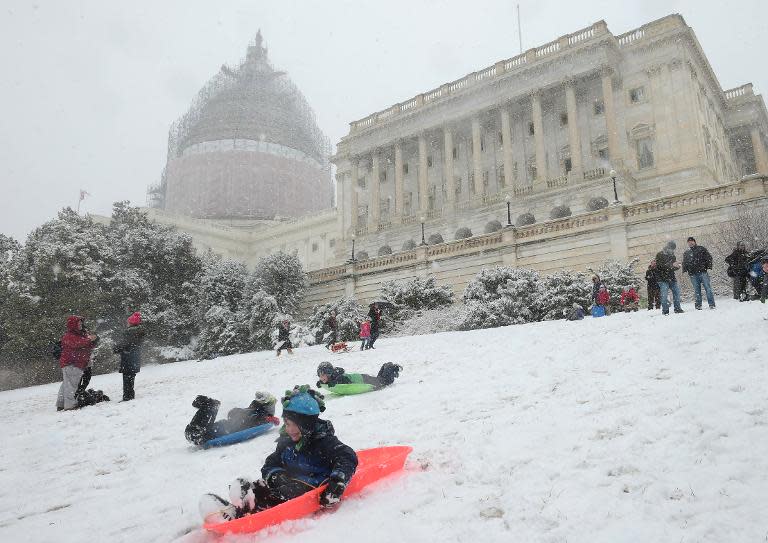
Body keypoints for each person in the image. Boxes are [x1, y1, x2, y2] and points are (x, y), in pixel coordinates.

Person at [199, 389, 358, 523]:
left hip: (309, 488)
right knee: (247, 485)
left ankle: (244, 515)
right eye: (285, 424)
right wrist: (276, 475)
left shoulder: (324, 441)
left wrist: (337, 483)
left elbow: (347, 456)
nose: (287, 429)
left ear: (304, 425)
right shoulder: (286, 442)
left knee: (278, 495)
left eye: (290, 424)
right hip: (285, 482)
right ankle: (239, 504)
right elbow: (270, 463)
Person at [185, 392, 279, 446]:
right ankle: (204, 404)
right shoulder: (253, 411)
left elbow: (254, 420)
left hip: (205, 434)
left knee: (213, 405)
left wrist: (268, 419)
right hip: (209, 431)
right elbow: (233, 413)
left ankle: (203, 403)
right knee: (213, 405)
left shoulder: (260, 417)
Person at [56, 316, 99, 411]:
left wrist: (93, 340)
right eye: (78, 323)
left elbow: (87, 345)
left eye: (80, 323)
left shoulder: (78, 334)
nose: (80, 325)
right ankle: (69, 405)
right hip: (72, 363)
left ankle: (61, 404)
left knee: (67, 384)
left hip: (76, 363)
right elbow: (78, 343)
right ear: (73, 325)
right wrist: (90, 339)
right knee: (71, 385)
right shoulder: (70, 335)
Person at [113, 311, 146, 401]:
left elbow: (125, 344)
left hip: (128, 357)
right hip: (135, 357)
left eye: (128, 322)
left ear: (131, 323)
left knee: (127, 377)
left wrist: (116, 348)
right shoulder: (139, 331)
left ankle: (127, 396)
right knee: (131, 376)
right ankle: (130, 394)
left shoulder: (129, 332)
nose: (127, 323)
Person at [681, 236, 715, 310]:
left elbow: (709, 257)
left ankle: (711, 304)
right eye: (689, 242)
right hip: (693, 274)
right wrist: (684, 270)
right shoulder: (686, 253)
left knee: (708, 288)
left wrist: (707, 267)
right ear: (688, 244)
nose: (690, 243)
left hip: (703, 272)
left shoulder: (701, 248)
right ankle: (698, 305)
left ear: (694, 242)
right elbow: (684, 262)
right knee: (697, 290)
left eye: (691, 241)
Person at [316, 361, 402, 389]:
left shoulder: (338, 376)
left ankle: (393, 367)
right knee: (379, 379)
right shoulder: (332, 376)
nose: (321, 377)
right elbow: (329, 381)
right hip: (361, 377)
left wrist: (334, 383)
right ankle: (386, 366)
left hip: (363, 379)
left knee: (385, 382)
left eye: (322, 375)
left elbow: (345, 381)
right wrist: (321, 383)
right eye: (319, 375)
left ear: (329, 373)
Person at [655, 241, 684, 315]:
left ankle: (677, 309)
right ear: (667, 247)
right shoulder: (659, 254)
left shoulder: (673, 256)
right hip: (662, 278)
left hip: (672, 278)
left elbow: (672, 268)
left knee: (677, 293)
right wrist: (672, 265)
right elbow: (660, 266)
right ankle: (665, 310)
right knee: (664, 295)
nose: (672, 250)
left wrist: (677, 266)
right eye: (671, 248)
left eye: (673, 249)